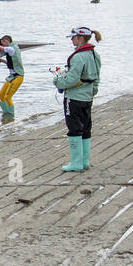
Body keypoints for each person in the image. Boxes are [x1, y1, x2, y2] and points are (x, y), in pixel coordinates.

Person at [53, 27, 102, 172]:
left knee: (74, 129)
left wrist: (57, 82)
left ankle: (76, 163)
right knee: (86, 128)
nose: (71, 40)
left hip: (74, 98)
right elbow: (97, 77)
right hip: (87, 97)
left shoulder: (78, 56)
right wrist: (92, 92)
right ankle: (84, 161)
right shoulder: (94, 54)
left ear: (80, 39)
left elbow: (72, 79)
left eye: (73, 37)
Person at [0, 35, 24, 116]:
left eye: (2, 43)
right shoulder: (12, 49)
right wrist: (2, 61)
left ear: (6, 41)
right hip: (12, 76)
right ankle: (6, 112)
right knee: (1, 95)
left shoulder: (11, 48)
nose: (2, 45)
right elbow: (12, 64)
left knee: (7, 97)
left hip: (18, 76)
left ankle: (11, 114)